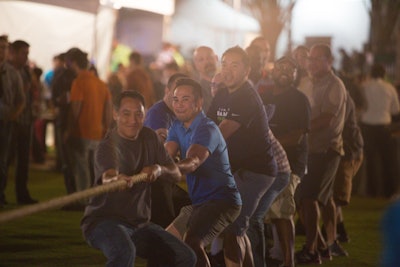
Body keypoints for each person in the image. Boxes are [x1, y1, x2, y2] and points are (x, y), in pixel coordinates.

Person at [81, 90, 196, 267]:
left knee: (185, 256)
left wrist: (159, 169)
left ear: (145, 114)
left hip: (139, 223)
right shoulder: (107, 147)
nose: (133, 121)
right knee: (125, 253)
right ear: (115, 114)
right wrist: (117, 179)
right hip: (104, 222)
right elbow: (108, 176)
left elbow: (175, 174)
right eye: (126, 114)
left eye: (138, 114)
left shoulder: (150, 137)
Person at [208, 46, 277, 266]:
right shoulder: (222, 94)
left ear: (247, 70)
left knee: (233, 227)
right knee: (236, 229)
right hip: (237, 170)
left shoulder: (246, 96)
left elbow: (222, 131)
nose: (227, 70)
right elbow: (206, 126)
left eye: (234, 65)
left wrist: (192, 152)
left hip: (255, 172)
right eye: (225, 64)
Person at [165, 77, 242, 267]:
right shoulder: (176, 126)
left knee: (192, 243)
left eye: (185, 99)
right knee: (164, 243)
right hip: (200, 203)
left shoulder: (207, 128)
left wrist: (165, 169)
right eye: (176, 99)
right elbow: (165, 156)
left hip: (222, 201)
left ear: (199, 103)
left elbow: (193, 162)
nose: (179, 105)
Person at [294, 44, 347, 264]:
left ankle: (312, 249)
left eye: (317, 59)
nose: (311, 63)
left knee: (310, 198)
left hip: (326, 149)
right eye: (310, 58)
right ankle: (322, 247)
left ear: (329, 61)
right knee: (302, 199)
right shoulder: (305, 82)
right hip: (307, 148)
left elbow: (327, 118)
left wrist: (300, 129)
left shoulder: (335, 85)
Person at [260, 56, 311, 267]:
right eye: (280, 67)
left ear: (296, 74)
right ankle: (272, 255)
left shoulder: (299, 99)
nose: (284, 72)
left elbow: (299, 134)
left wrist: (269, 144)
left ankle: (289, 260)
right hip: (264, 162)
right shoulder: (264, 95)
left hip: (289, 163)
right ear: (272, 71)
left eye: (290, 69)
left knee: (282, 212)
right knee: (264, 212)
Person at [144, 73, 191, 228]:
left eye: (184, 96)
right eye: (176, 93)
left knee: (189, 210)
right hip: (154, 180)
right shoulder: (159, 113)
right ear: (167, 90)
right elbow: (164, 150)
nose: (179, 99)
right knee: (168, 221)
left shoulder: (176, 114)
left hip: (163, 177)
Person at [65, 48, 112, 193]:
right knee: (94, 169)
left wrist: (68, 130)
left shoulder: (79, 82)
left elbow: (75, 109)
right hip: (98, 133)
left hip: (81, 132)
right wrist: (106, 129)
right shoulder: (100, 83)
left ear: (73, 63)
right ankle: (94, 198)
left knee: (81, 169)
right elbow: (108, 110)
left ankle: (82, 199)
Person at [360, 63, 400, 198]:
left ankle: (371, 190)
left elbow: (361, 106)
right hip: (384, 126)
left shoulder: (364, 86)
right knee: (387, 160)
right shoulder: (389, 88)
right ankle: (389, 191)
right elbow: (396, 110)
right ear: (384, 74)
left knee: (370, 160)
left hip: (367, 125)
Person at [8, 39, 38, 204]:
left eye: (27, 54)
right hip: (11, 120)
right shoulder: (7, 70)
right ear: (13, 52)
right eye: (23, 53)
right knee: (5, 159)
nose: (26, 57)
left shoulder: (26, 71)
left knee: (23, 160)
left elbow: (31, 91)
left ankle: (22, 193)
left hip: (26, 120)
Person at [332, 91, 364, 243]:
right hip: (344, 149)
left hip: (347, 151)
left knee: (335, 196)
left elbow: (334, 123)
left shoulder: (341, 97)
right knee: (331, 195)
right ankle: (338, 231)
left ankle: (337, 233)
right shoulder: (340, 95)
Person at [0, 35, 25, 207]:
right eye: (0, 47)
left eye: (4, 48)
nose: (2, 52)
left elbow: (21, 100)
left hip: (6, 122)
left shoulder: (12, 73)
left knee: (3, 161)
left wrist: (12, 117)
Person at [192, 46, 218, 112]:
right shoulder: (196, 91)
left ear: (216, 58)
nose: (207, 62)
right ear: (196, 64)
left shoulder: (229, 84)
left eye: (210, 57)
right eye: (201, 59)